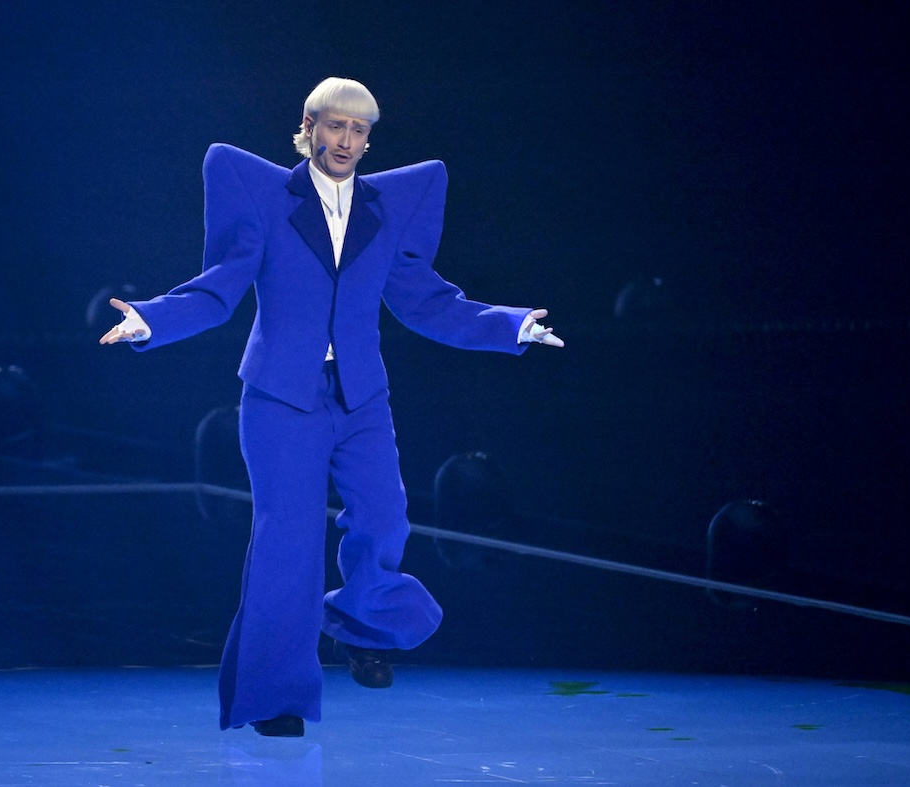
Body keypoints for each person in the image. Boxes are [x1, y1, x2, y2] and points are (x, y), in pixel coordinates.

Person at [100, 77, 563, 737]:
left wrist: (510, 326)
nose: (346, 141)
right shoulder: (266, 197)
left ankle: (360, 624)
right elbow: (220, 286)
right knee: (287, 541)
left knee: (384, 518)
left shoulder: (387, 207)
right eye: (335, 126)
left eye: (359, 131)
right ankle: (274, 698)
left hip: (360, 394)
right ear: (310, 126)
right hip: (282, 395)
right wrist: (150, 320)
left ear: (368, 140)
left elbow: (426, 300)